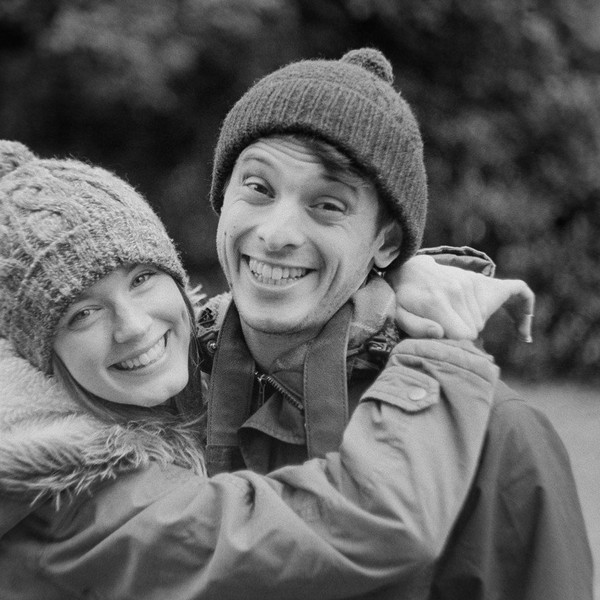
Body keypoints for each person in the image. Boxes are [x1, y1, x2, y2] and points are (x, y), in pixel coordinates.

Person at [0, 140, 505, 599]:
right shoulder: (62, 495)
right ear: (38, 350)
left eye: (142, 278)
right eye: (82, 314)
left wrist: (384, 280)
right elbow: (370, 527)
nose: (134, 326)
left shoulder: (177, 387)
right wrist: (442, 343)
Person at [201, 48, 593, 598]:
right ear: (223, 198)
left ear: (386, 243)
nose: (276, 233)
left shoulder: (495, 435)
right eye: (259, 188)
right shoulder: (162, 392)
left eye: (328, 205)